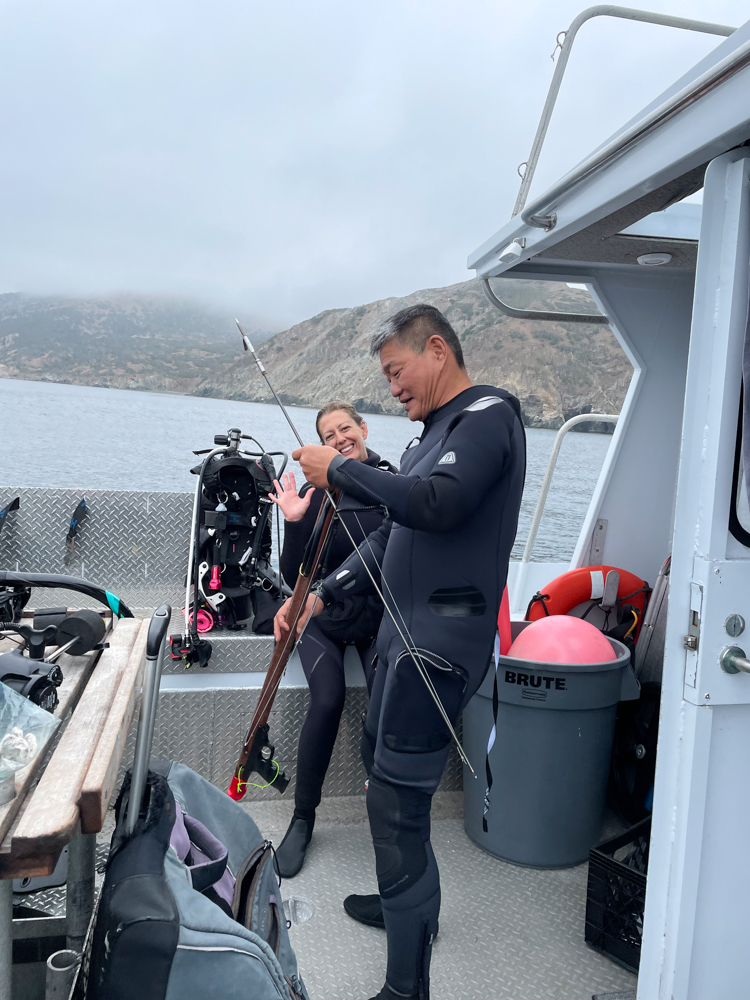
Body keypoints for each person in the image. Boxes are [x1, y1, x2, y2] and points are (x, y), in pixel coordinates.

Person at [277, 304, 526, 1000]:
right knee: (382, 777)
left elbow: (437, 504)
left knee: (397, 807)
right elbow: (392, 533)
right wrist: (321, 596)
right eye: (385, 377)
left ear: (437, 350)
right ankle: (407, 910)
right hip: (398, 641)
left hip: (436, 650)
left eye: (397, 371)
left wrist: (338, 471)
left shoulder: (488, 418)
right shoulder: (430, 435)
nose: (392, 388)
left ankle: (406, 987)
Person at [271, 400, 396, 878]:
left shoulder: (389, 484)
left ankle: (388, 812)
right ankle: (303, 818)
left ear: (363, 429)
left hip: (373, 616)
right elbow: (294, 576)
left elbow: (390, 557)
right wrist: (295, 521)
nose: (340, 439)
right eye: (329, 436)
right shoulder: (316, 490)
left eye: (346, 428)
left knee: (386, 697)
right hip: (321, 617)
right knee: (328, 699)